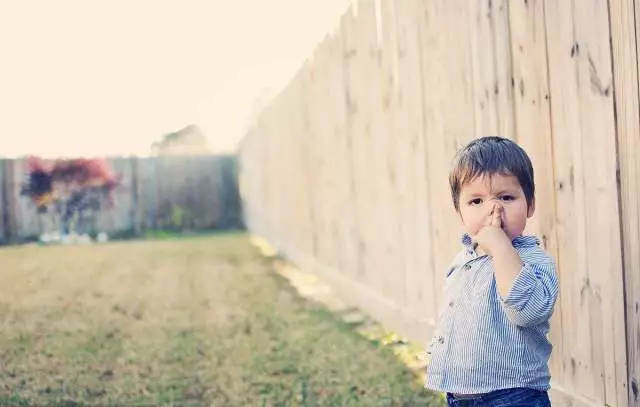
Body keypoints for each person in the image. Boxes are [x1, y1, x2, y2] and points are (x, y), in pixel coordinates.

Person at [423, 136, 559, 406]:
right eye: (476, 201)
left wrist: (500, 248)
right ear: (459, 212)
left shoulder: (532, 260)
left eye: (506, 197)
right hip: (460, 393)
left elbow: (529, 311)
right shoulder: (463, 261)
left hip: (513, 394)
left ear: (530, 205)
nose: (493, 209)